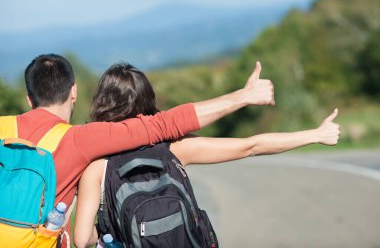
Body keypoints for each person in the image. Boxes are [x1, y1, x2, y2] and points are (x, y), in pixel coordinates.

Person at [0, 54, 274, 247]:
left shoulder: (3, 127)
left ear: (28, 98)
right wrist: (242, 97)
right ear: (74, 92)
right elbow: (165, 124)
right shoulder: (78, 139)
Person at [73, 62, 340, 247]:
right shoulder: (175, 148)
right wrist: (316, 134)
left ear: (103, 104)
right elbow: (252, 146)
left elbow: (81, 239)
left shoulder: (98, 165)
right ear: (148, 100)